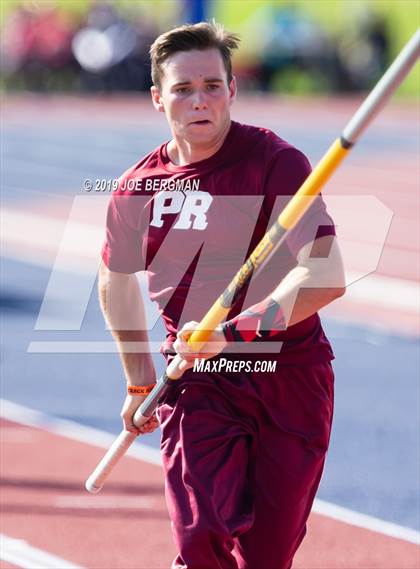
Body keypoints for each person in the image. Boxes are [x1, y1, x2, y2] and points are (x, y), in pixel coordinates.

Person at [99, 21, 345, 569]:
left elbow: (325, 274)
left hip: (289, 378)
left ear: (232, 89)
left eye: (212, 85)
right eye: (183, 89)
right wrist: (139, 379)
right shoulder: (139, 188)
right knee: (199, 541)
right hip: (196, 384)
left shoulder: (277, 163)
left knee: (267, 556)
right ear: (158, 98)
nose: (199, 100)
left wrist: (234, 332)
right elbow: (113, 280)